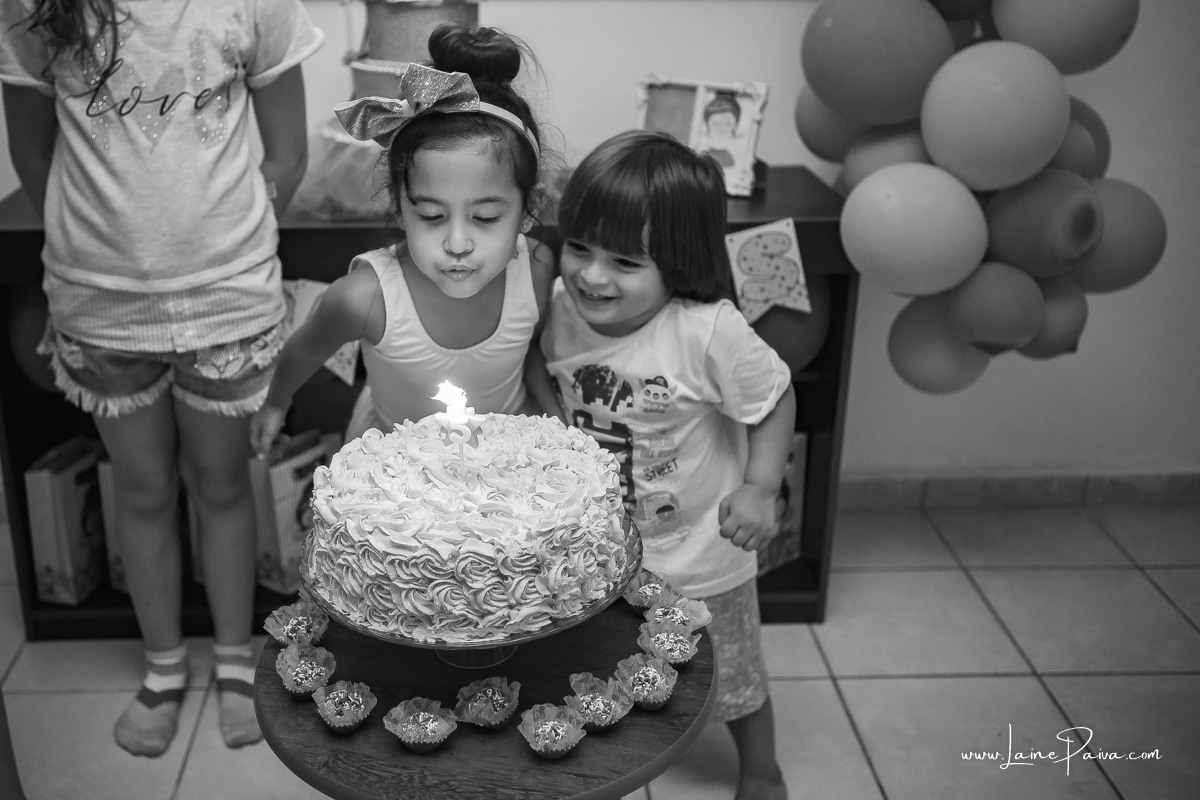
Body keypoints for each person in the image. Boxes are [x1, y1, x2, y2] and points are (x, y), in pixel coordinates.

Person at [0, 0, 323, 757]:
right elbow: (35, 161)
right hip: (101, 304)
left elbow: (286, 158)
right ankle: (164, 666)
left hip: (226, 301)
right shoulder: (31, 7)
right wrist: (114, 246)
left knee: (222, 483)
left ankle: (237, 663)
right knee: (142, 487)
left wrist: (214, 246)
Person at [531, 130, 795, 800]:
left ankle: (762, 769)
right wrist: (551, 422)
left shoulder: (707, 330)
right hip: (603, 549)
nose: (591, 275)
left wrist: (763, 486)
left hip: (702, 553)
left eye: (624, 261)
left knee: (731, 675)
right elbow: (535, 361)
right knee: (612, 661)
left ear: (676, 263)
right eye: (580, 248)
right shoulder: (558, 310)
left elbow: (773, 398)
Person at [250, 24, 554, 456]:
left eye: (485, 217)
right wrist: (275, 404)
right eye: (431, 215)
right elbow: (302, 349)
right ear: (398, 206)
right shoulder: (363, 299)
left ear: (527, 210)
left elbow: (532, 349)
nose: (457, 243)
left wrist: (554, 416)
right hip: (395, 480)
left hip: (508, 470)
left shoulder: (537, 268)